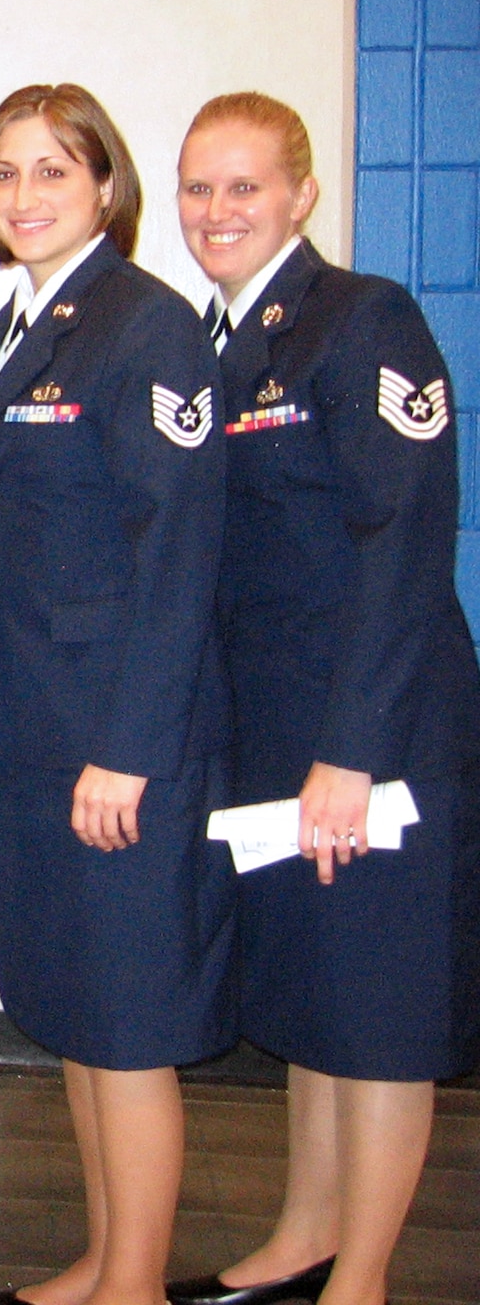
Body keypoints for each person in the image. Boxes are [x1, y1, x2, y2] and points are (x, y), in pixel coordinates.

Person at [167, 93, 480, 1305]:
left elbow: (403, 546)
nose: (216, 211)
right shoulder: (214, 336)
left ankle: (361, 1278)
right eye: (199, 187)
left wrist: (351, 752)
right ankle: (301, 1237)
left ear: (299, 195)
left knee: (379, 1009)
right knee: (310, 993)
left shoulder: (361, 322)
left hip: (374, 729)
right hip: (271, 729)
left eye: (243, 186)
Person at [0, 84, 235, 1305]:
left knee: (124, 1026)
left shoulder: (144, 326)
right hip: (32, 721)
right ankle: (104, 1256)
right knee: (72, 1008)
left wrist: (127, 749)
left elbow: (177, 557)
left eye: (51, 173)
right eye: (5, 175)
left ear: (104, 189)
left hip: (117, 735)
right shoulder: (19, 321)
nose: (23, 197)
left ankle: (132, 1283)